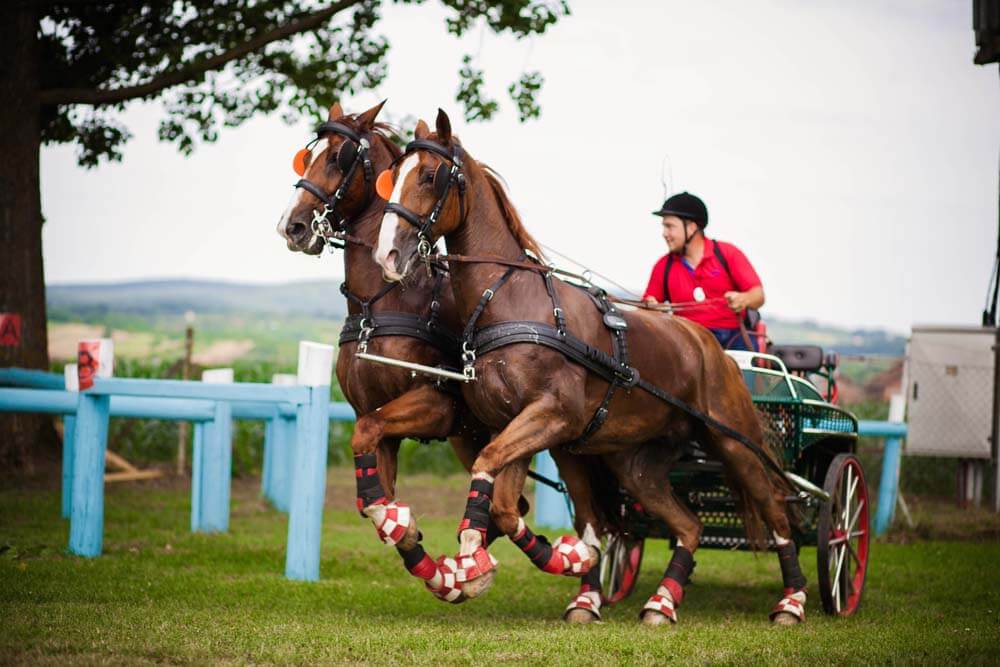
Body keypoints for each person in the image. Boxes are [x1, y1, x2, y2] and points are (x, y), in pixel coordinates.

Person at [642, 191, 765, 351]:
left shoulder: (728, 253)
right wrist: (650, 307)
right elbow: (648, 304)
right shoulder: (663, 266)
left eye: (670, 226)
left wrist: (744, 299)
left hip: (731, 338)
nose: (665, 234)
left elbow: (758, 295)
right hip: (687, 339)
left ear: (692, 227)